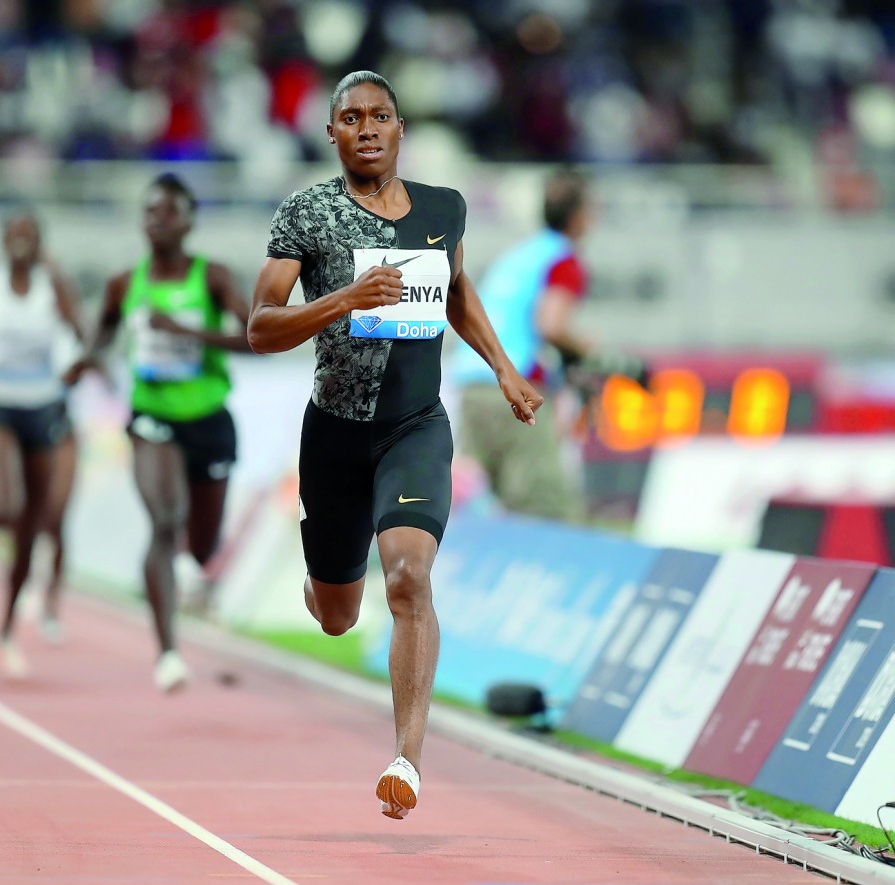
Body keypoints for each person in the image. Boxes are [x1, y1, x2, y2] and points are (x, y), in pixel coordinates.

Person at [247, 71, 542, 819]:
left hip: (415, 427)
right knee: (338, 614)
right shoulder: (308, 214)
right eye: (352, 118)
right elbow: (259, 325)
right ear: (333, 133)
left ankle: (407, 758)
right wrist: (345, 297)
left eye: (381, 115)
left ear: (401, 127)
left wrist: (504, 368)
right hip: (335, 438)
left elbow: (456, 292)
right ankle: (321, 574)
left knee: (409, 577)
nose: (368, 128)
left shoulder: (444, 209)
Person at [80, 172, 252, 693]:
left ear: (190, 219)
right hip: (152, 416)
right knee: (163, 519)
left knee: (201, 547)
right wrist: (89, 359)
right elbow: (105, 326)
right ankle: (167, 652)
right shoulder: (124, 284)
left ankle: (184, 578)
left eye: (169, 210)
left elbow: (256, 336)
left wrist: (188, 333)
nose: (158, 219)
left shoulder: (214, 277)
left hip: (210, 420)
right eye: (150, 210)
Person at [0, 210, 85, 677]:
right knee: (8, 504)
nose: (21, 241)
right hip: (0, 409)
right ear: (3, 241)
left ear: (40, 241)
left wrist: (76, 369)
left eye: (29, 234)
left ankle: (6, 629)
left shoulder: (55, 286)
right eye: (14, 234)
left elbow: (83, 338)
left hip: (44, 411)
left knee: (32, 529)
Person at [450, 170, 596, 523]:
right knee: (542, 507)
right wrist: (586, 350)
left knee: (484, 504)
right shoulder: (562, 259)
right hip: (515, 387)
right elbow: (551, 324)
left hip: (472, 381)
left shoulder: (520, 254)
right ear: (579, 216)